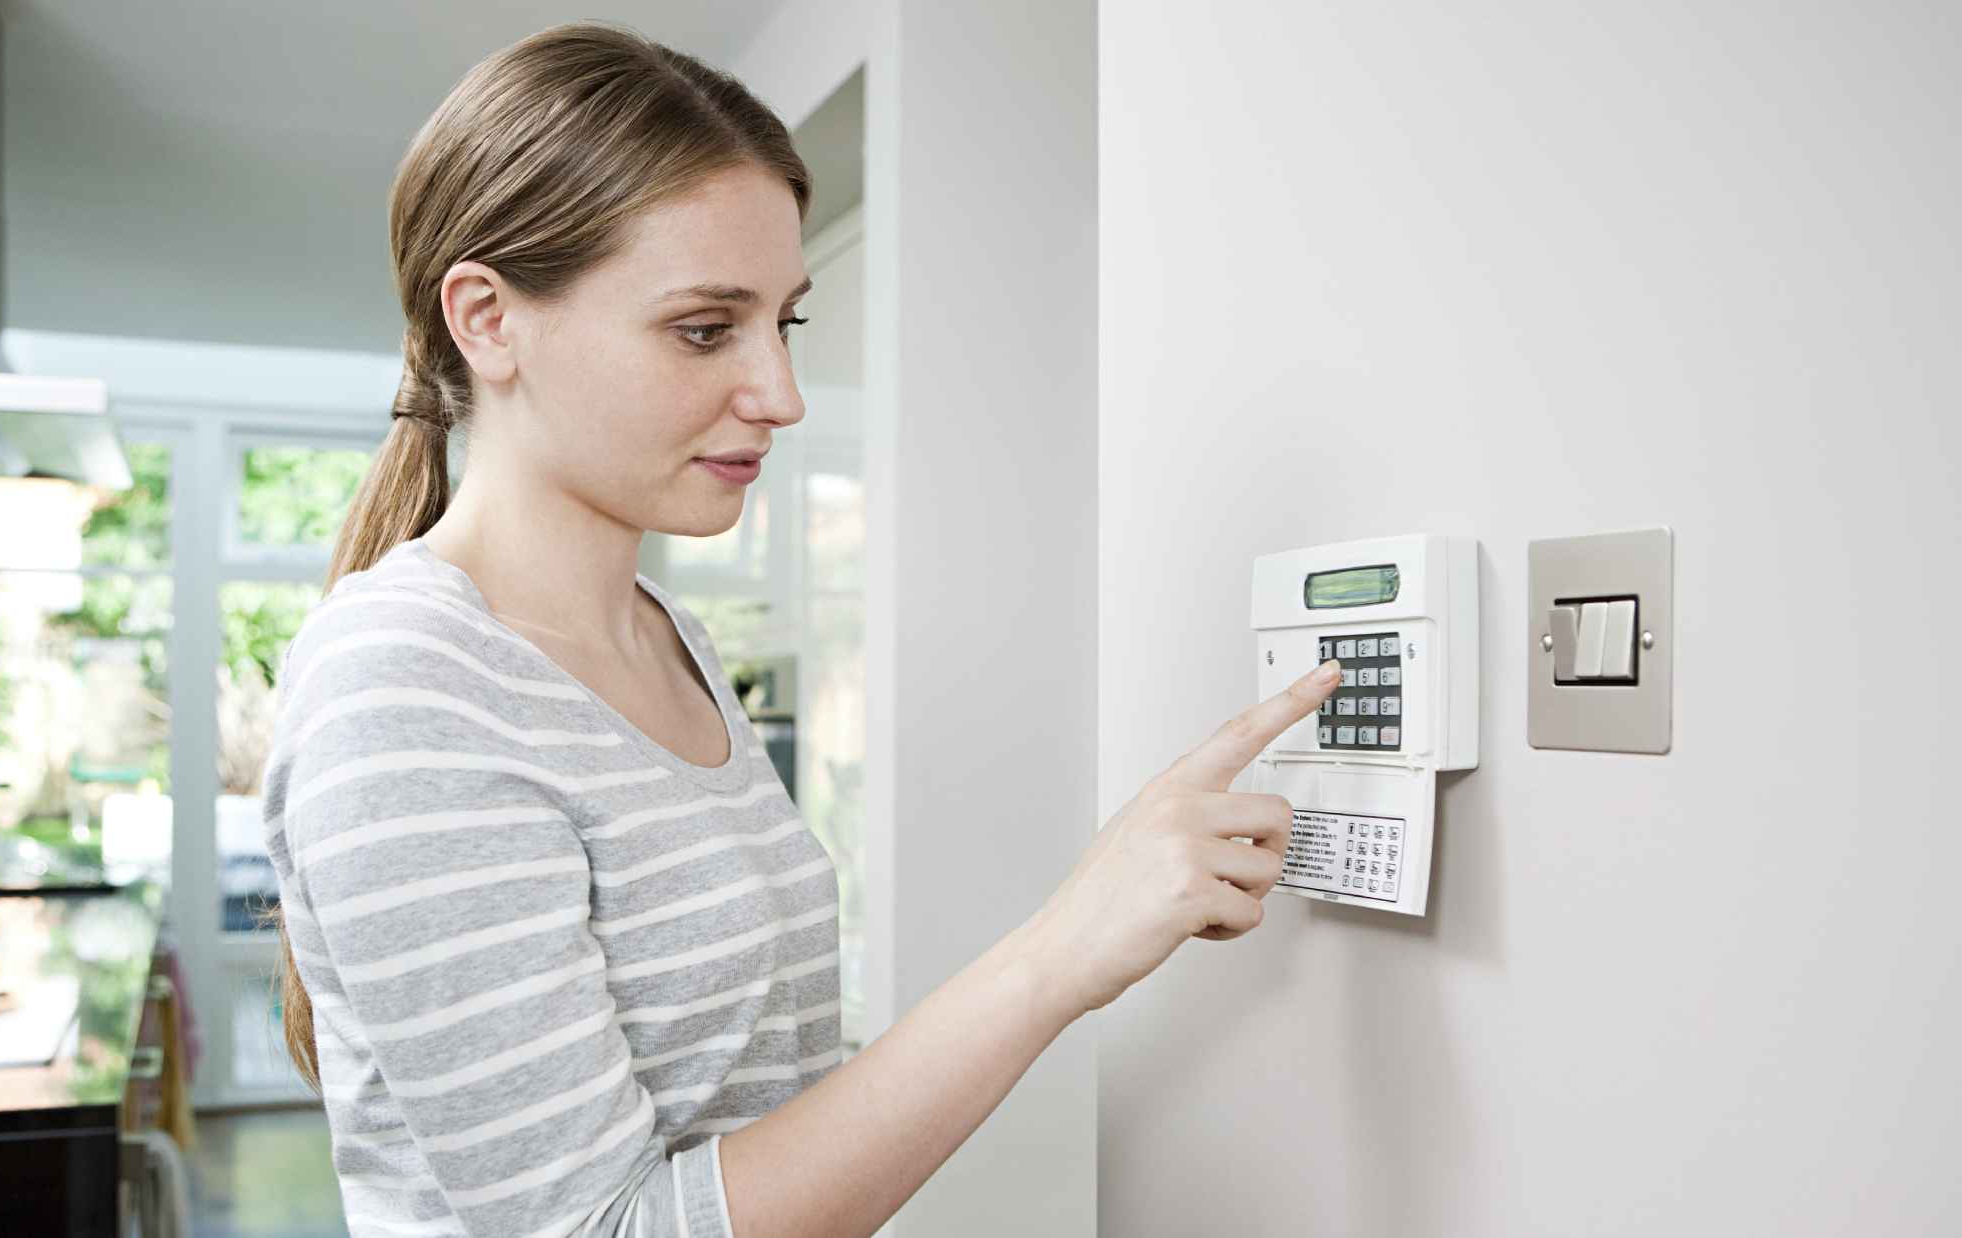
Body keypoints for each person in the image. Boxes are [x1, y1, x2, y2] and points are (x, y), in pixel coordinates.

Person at [259, 20, 1339, 1238]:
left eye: (788, 323)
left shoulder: (664, 636)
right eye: (705, 328)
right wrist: (1057, 956)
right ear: (489, 319)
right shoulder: (403, 687)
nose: (778, 393)